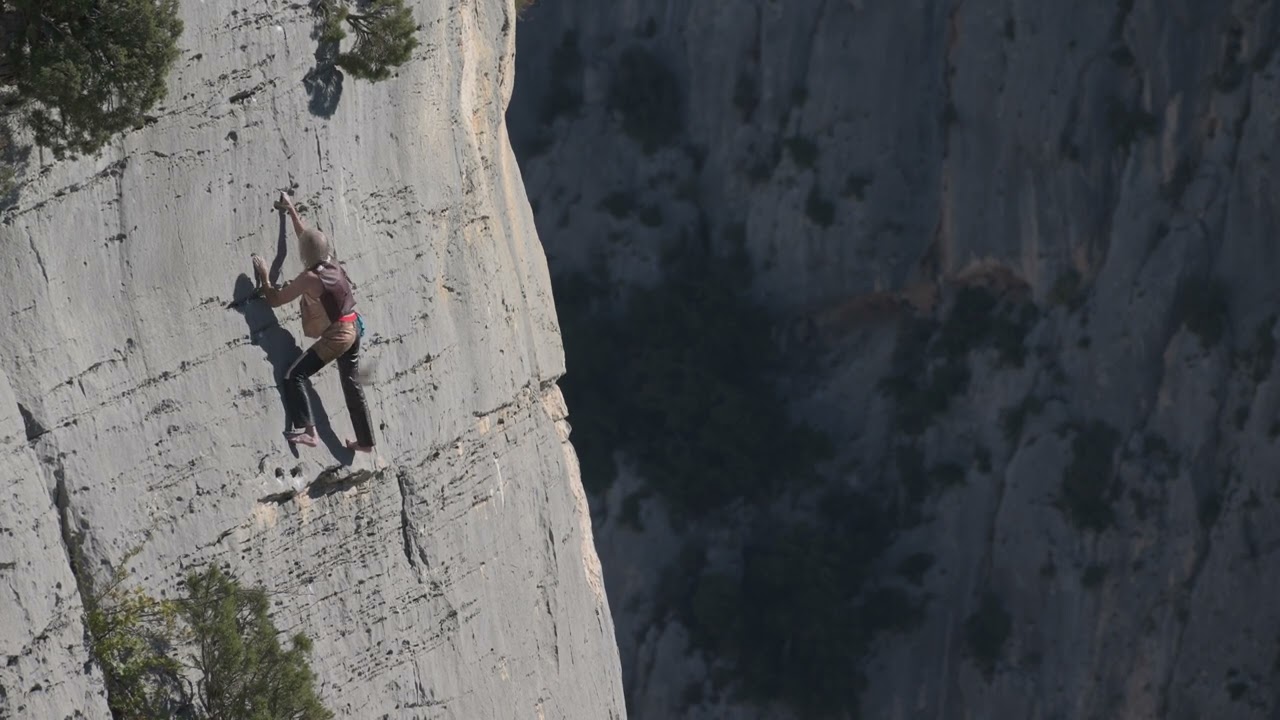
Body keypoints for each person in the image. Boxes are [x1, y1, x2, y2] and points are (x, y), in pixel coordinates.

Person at [251, 192, 375, 452]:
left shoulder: (310, 278)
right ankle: (365, 442)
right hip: (354, 325)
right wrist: (291, 211)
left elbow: (275, 300)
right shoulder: (331, 261)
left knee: (294, 374)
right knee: (352, 386)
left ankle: (310, 433)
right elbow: (307, 238)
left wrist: (264, 278)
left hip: (339, 336)